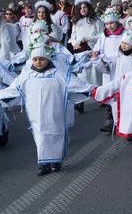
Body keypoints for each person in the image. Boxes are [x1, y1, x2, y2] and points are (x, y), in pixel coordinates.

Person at [0, 44, 92, 176]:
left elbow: (76, 84)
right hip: (36, 114)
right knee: (40, 136)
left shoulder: (59, 74)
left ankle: (56, 160)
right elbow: (13, 90)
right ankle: (43, 163)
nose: (38, 62)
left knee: (56, 134)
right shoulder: (26, 76)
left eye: (42, 59)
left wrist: (93, 90)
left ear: (48, 59)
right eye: (35, 59)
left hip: (55, 111)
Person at [92, 9, 126, 132]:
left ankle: (124, 119)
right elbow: (97, 50)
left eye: (112, 23)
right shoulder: (103, 36)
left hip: (121, 66)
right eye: (106, 24)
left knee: (121, 91)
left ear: (117, 22)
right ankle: (110, 118)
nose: (109, 26)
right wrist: (97, 57)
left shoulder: (124, 34)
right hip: (108, 68)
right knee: (109, 91)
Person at [69, 0, 104, 112]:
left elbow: (101, 35)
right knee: (82, 75)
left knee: (95, 74)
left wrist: (88, 38)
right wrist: (75, 43)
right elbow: (73, 36)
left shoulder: (96, 20)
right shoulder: (76, 22)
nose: (83, 10)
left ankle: (100, 97)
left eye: (85, 7)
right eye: (81, 8)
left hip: (92, 48)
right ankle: (81, 101)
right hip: (80, 51)